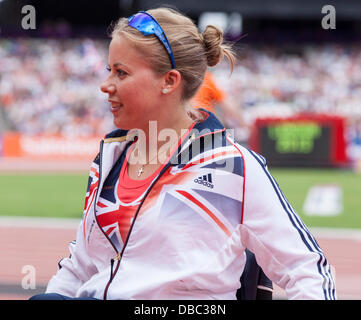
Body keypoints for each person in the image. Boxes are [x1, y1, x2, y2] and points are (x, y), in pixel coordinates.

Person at [30, 7, 336, 300]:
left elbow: (306, 269)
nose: (105, 85)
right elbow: (80, 268)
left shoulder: (233, 166)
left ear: (169, 81)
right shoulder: (108, 161)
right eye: (110, 70)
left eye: (121, 73)